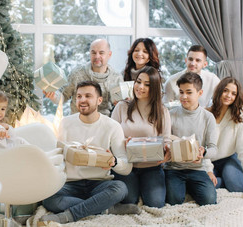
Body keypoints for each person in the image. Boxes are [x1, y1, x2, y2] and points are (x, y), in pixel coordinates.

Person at [40, 81, 140, 225]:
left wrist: (114, 162)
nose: (82, 100)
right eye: (79, 96)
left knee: (120, 188)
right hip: (71, 184)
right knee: (49, 200)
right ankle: (103, 208)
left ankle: (67, 216)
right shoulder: (65, 123)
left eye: (88, 96)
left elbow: (126, 168)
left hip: (99, 184)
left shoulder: (112, 126)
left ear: (99, 100)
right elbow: (59, 155)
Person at [111, 66, 171, 208]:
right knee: (129, 201)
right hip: (126, 166)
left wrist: (167, 150)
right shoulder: (122, 106)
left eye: (147, 84)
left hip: (152, 167)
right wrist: (124, 142)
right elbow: (111, 136)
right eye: (138, 82)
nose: (140, 87)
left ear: (155, 88)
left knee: (155, 204)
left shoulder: (162, 111)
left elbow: (166, 139)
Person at [164, 72, 218, 206]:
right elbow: (164, 140)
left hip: (197, 169)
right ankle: (182, 188)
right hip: (174, 169)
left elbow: (213, 148)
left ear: (200, 93)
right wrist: (167, 148)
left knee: (209, 200)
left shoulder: (208, 117)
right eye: (181, 92)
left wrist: (203, 153)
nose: (183, 96)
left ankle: (189, 187)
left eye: (189, 92)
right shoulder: (171, 115)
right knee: (174, 200)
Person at [44, 39, 123, 116]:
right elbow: (63, 95)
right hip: (77, 122)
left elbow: (120, 106)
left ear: (109, 54)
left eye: (101, 53)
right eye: (93, 53)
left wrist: (120, 103)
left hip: (103, 123)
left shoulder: (117, 78)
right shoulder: (77, 73)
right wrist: (53, 96)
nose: (97, 56)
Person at [205, 77, 243, 192]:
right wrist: (208, 169)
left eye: (233, 94)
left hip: (229, 158)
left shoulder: (239, 112)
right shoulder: (207, 113)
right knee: (204, 186)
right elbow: (203, 145)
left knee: (238, 187)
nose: (229, 96)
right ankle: (225, 180)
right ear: (219, 91)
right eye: (225, 91)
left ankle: (231, 179)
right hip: (209, 161)